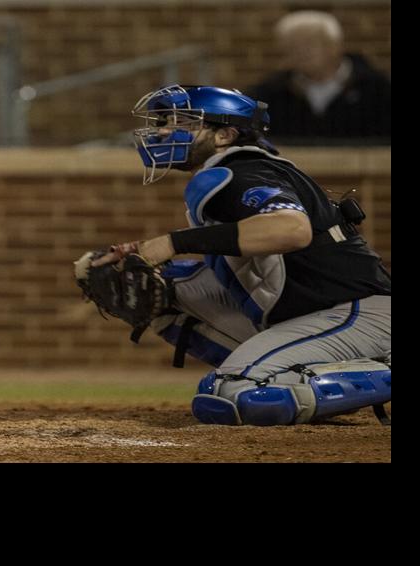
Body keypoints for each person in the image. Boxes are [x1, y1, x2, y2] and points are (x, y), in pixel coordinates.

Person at [85, 84, 391, 426]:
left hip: (359, 315)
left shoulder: (239, 170)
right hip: (319, 315)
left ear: (224, 135)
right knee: (159, 290)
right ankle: (289, 370)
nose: (164, 131)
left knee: (237, 392)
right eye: (164, 122)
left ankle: (362, 369)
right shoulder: (237, 171)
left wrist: (172, 243)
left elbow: (292, 229)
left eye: (182, 123)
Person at [244, 11, 390, 143]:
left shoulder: (378, 89)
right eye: (292, 47)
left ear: (335, 45)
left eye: (309, 44)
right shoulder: (270, 94)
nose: (301, 52)